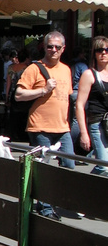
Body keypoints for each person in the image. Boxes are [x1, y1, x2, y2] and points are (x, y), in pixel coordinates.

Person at [15, 30, 75, 220]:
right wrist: (43, 90)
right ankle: (47, 209)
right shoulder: (34, 68)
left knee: (69, 165)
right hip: (40, 127)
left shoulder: (66, 69)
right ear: (44, 47)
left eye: (57, 47)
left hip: (62, 127)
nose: (53, 50)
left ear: (63, 49)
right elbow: (19, 95)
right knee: (44, 169)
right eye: (50, 46)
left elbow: (67, 98)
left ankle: (48, 201)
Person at [75, 36, 108, 175]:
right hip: (98, 124)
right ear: (94, 53)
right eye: (100, 50)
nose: (104, 53)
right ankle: (87, 189)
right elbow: (80, 105)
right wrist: (83, 133)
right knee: (104, 166)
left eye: (107, 49)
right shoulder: (89, 74)